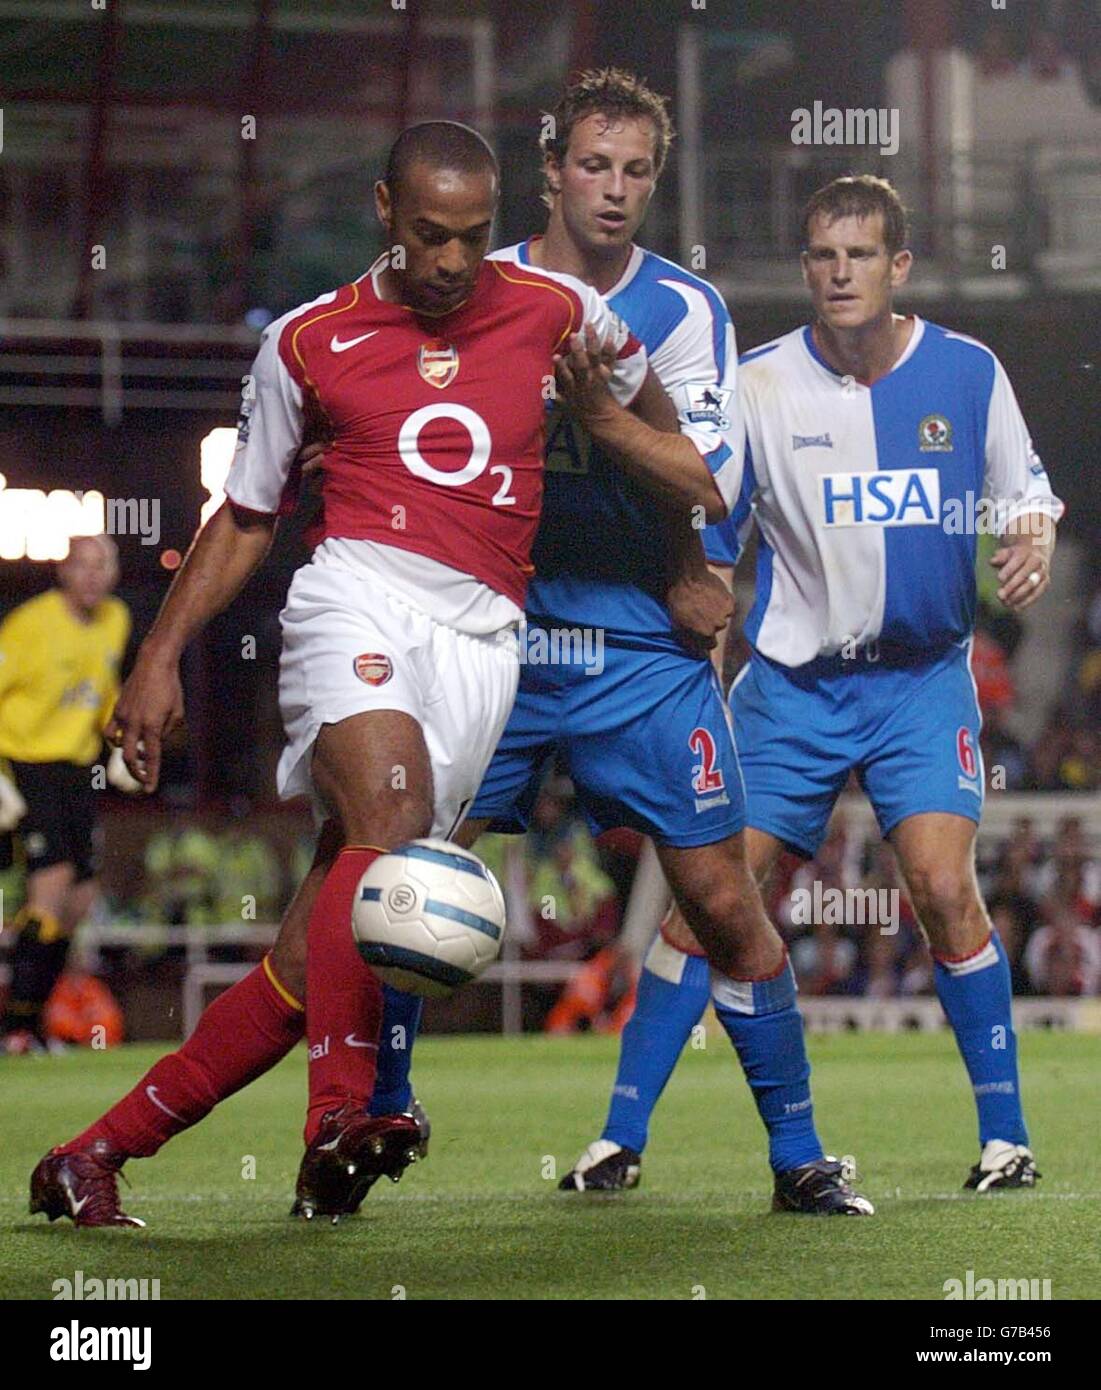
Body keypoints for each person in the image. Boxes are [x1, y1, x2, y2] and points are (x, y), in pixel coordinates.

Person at [28, 118, 729, 1228]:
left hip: (485, 642)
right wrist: (157, 653)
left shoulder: (561, 312)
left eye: (473, 237)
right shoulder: (307, 342)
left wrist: (678, 538)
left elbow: (677, 455)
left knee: (318, 953)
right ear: (384, 213)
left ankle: (90, 1155)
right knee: (389, 818)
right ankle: (337, 1120)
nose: (452, 263)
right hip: (355, 594)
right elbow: (247, 515)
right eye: (430, 236)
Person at [571, 174, 1062, 1195]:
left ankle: (1006, 1140)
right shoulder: (756, 386)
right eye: (824, 257)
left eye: (861, 255)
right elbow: (710, 526)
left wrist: (1033, 536)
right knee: (712, 901)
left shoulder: (968, 373)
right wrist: (689, 611)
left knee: (939, 885)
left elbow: (1027, 494)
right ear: (807, 269)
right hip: (792, 690)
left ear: (899, 267)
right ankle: (617, 1140)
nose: (841, 273)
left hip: (921, 684)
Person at [428, 69, 866, 1214]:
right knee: (404, 872)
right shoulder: (480, 286)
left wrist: (613, 434)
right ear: (549, 169)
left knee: (723, 902)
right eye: (593, 165)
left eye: (635, 173)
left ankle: (799, 1158)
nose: (614, 191)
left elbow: (710, 478)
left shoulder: (684, 309)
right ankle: (362, 1121)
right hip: (497, 637)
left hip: (638, 650)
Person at [0, 534, 138, 1052]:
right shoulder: (29, 625)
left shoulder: (116, 620)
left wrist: (121, 744)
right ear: (64, 571)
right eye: (83, 565)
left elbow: (105, 692)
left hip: (77, 770)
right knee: (51, 887)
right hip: (27, 762)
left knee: (79, 899)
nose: (93, 575)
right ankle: (16, 1027)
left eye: (103, 565)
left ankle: (34, 1021)